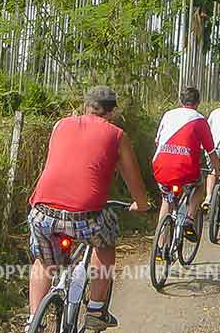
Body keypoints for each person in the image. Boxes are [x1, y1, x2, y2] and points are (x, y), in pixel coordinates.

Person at [27, 86, 151, 331]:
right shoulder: (117, 135)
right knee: (105, 244)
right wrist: (142, 204)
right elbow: (133, 179)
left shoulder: (60, 125)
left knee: (44, 262)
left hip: (42, 210)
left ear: (86, 106)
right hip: (85, 215)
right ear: (112, 112)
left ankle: (34, 322)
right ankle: (95, 310)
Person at [152, 87, 220, 246]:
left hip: (161, 167)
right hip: (186, 170)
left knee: (167, 201)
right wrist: (216, 170)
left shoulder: (168, 114)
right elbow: (210, 151)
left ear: (180, 101)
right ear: (198, 102)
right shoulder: (200, 120)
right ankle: (189, 218)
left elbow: (157, 141)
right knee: (199, 185)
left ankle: (160, 246)